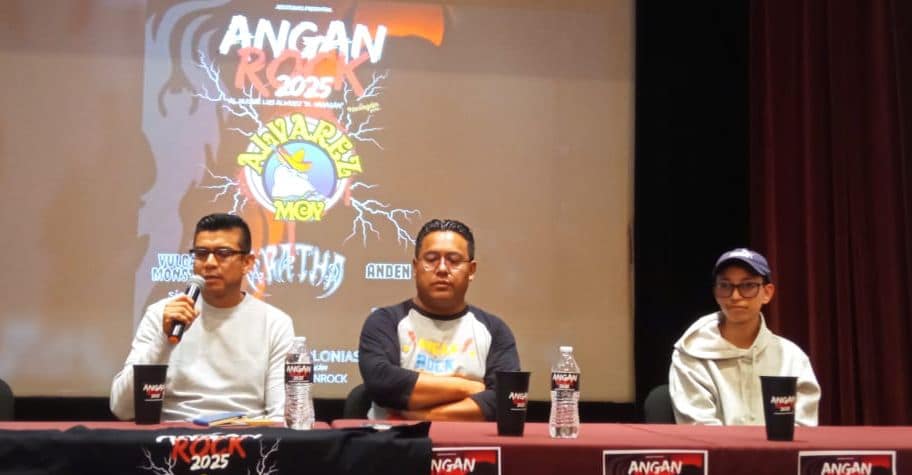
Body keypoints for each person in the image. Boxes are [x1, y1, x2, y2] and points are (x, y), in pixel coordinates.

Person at [110, 213, 295, 421]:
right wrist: (163, 340)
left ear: (247, 262)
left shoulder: (275, 323)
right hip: (175, 434)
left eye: (223, 253)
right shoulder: (161, 315)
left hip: (247, 435)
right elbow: (122, 408)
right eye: (201, 253)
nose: (209, 263)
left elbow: (281, 415)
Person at [358, 219, 520, 421]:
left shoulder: (494, 330)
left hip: (467, 441)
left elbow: (503, 399)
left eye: (454, 260)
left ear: (471, 270)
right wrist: (470, 387)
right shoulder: (385, 322)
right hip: (392, 439)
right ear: (415, 267)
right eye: (431, 259)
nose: (442, 268)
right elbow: (382, 384)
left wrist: (423, 416)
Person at [669, 248, 821, 426]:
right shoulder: (691, 353)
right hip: (715, 445)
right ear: (716, 292)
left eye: (747, 285)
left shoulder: (792, 358)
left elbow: (802, 429)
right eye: (725, 286)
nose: (735, 296)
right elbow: (699, 429)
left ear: (767, 293)